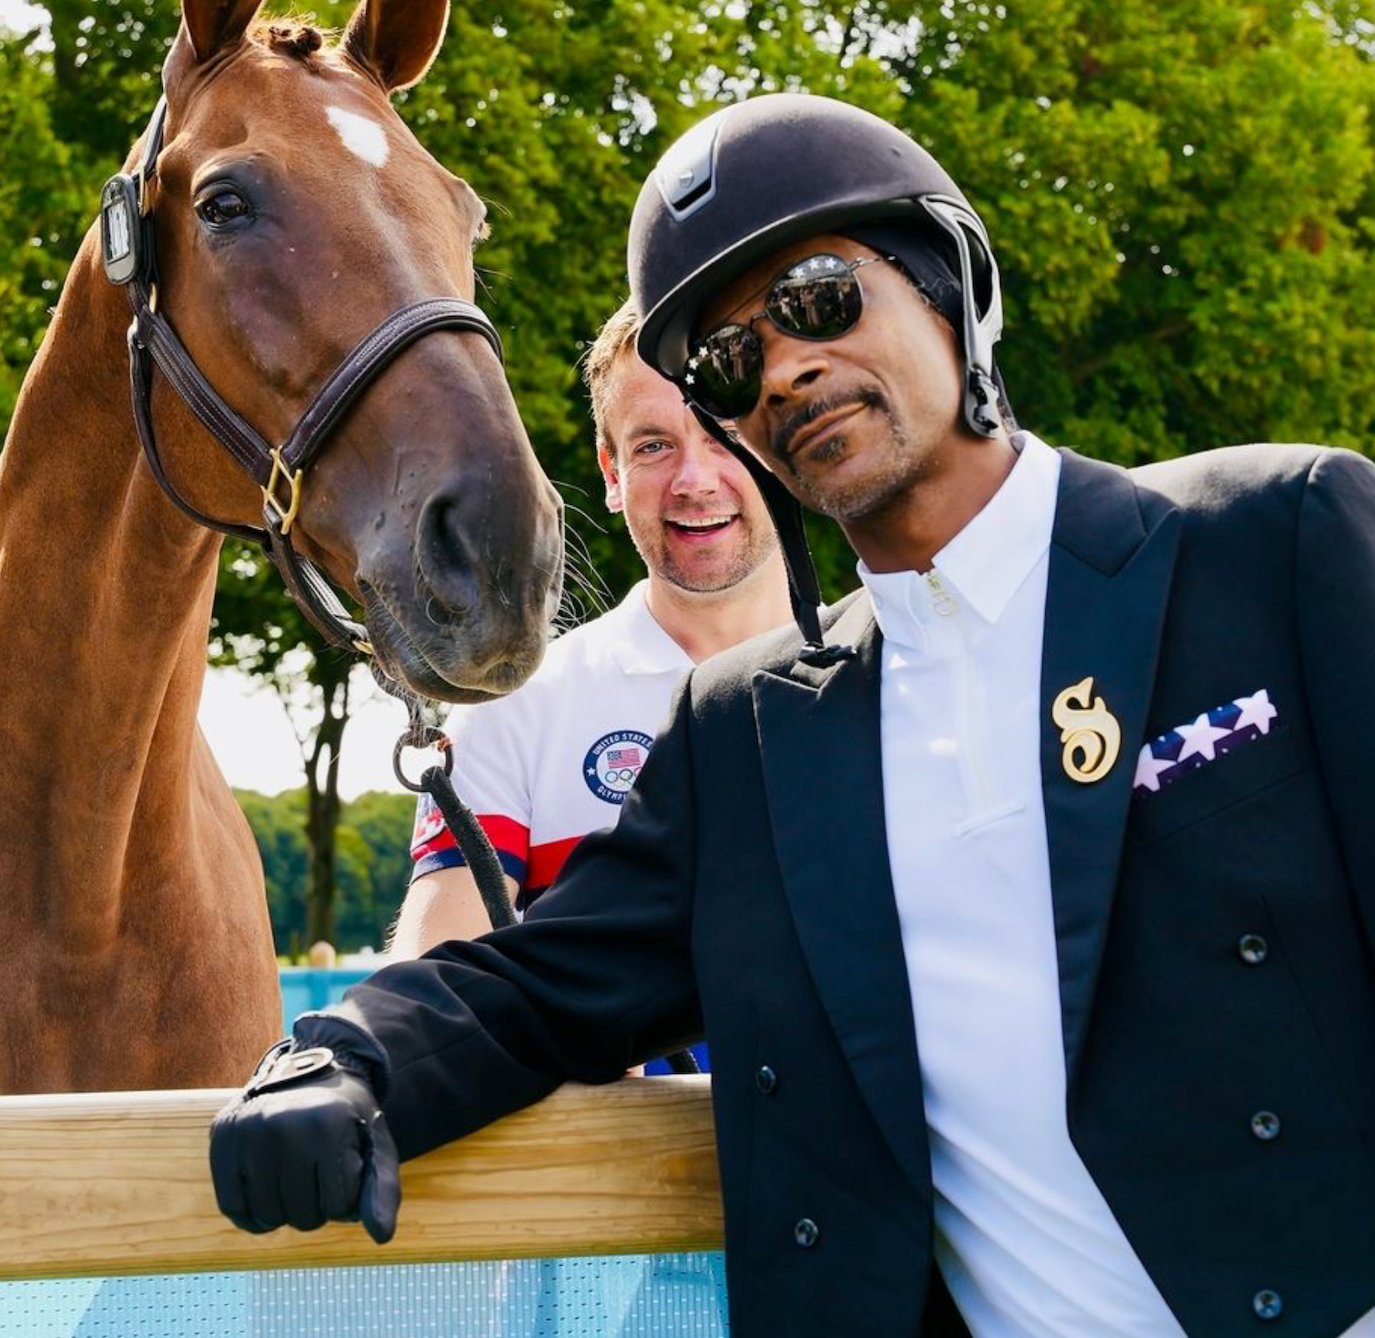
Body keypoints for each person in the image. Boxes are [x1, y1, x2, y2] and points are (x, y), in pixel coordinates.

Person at [211, 92, 1375, 1338]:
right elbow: (535, 983)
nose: (784, 366)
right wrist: (339, 1057)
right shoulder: (749, 733)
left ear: (943, 278)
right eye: (728, 359)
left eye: (819, 295)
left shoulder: (1274, 538)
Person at [387, 297, 791, 973]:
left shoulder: (896, 675)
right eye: (654, 446)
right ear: (612, 474)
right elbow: (435, 982)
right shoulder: (518, 705)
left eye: (721, 435)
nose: (693, 481)